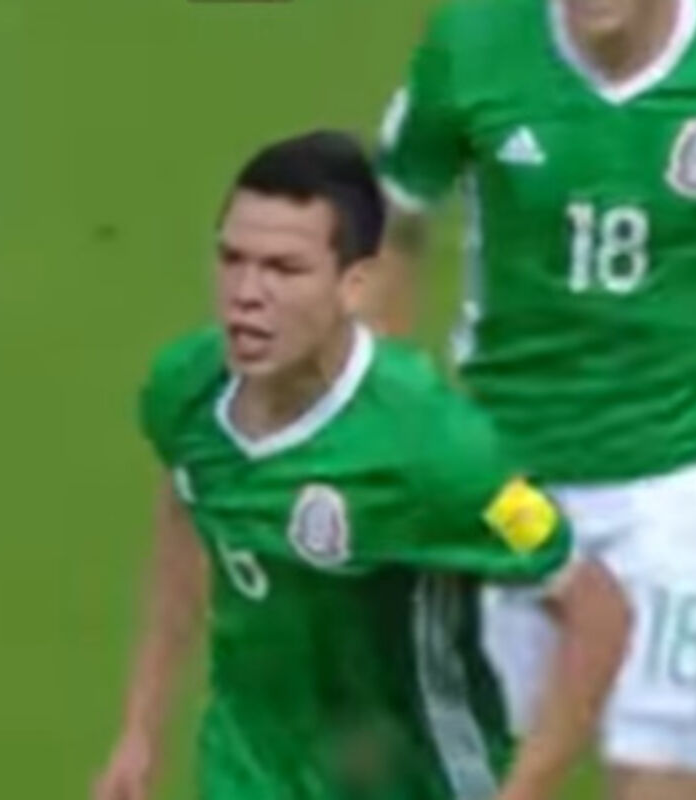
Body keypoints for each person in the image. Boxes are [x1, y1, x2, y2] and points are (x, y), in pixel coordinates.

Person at [93, 130, 629, 800]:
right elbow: (187, 506)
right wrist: (141, 729)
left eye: (284, 269)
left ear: (353, 285)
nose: (246, 293)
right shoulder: (186, 391)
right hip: (246, 773)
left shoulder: (438, 449)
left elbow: (597, 610)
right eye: (232, 259)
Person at [372, 1, 696, 798]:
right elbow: (395, 218)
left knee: (661, 763)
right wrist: (390, 416)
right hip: (511, 485)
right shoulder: (474, 43)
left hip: (679, 478)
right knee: (495, 766)